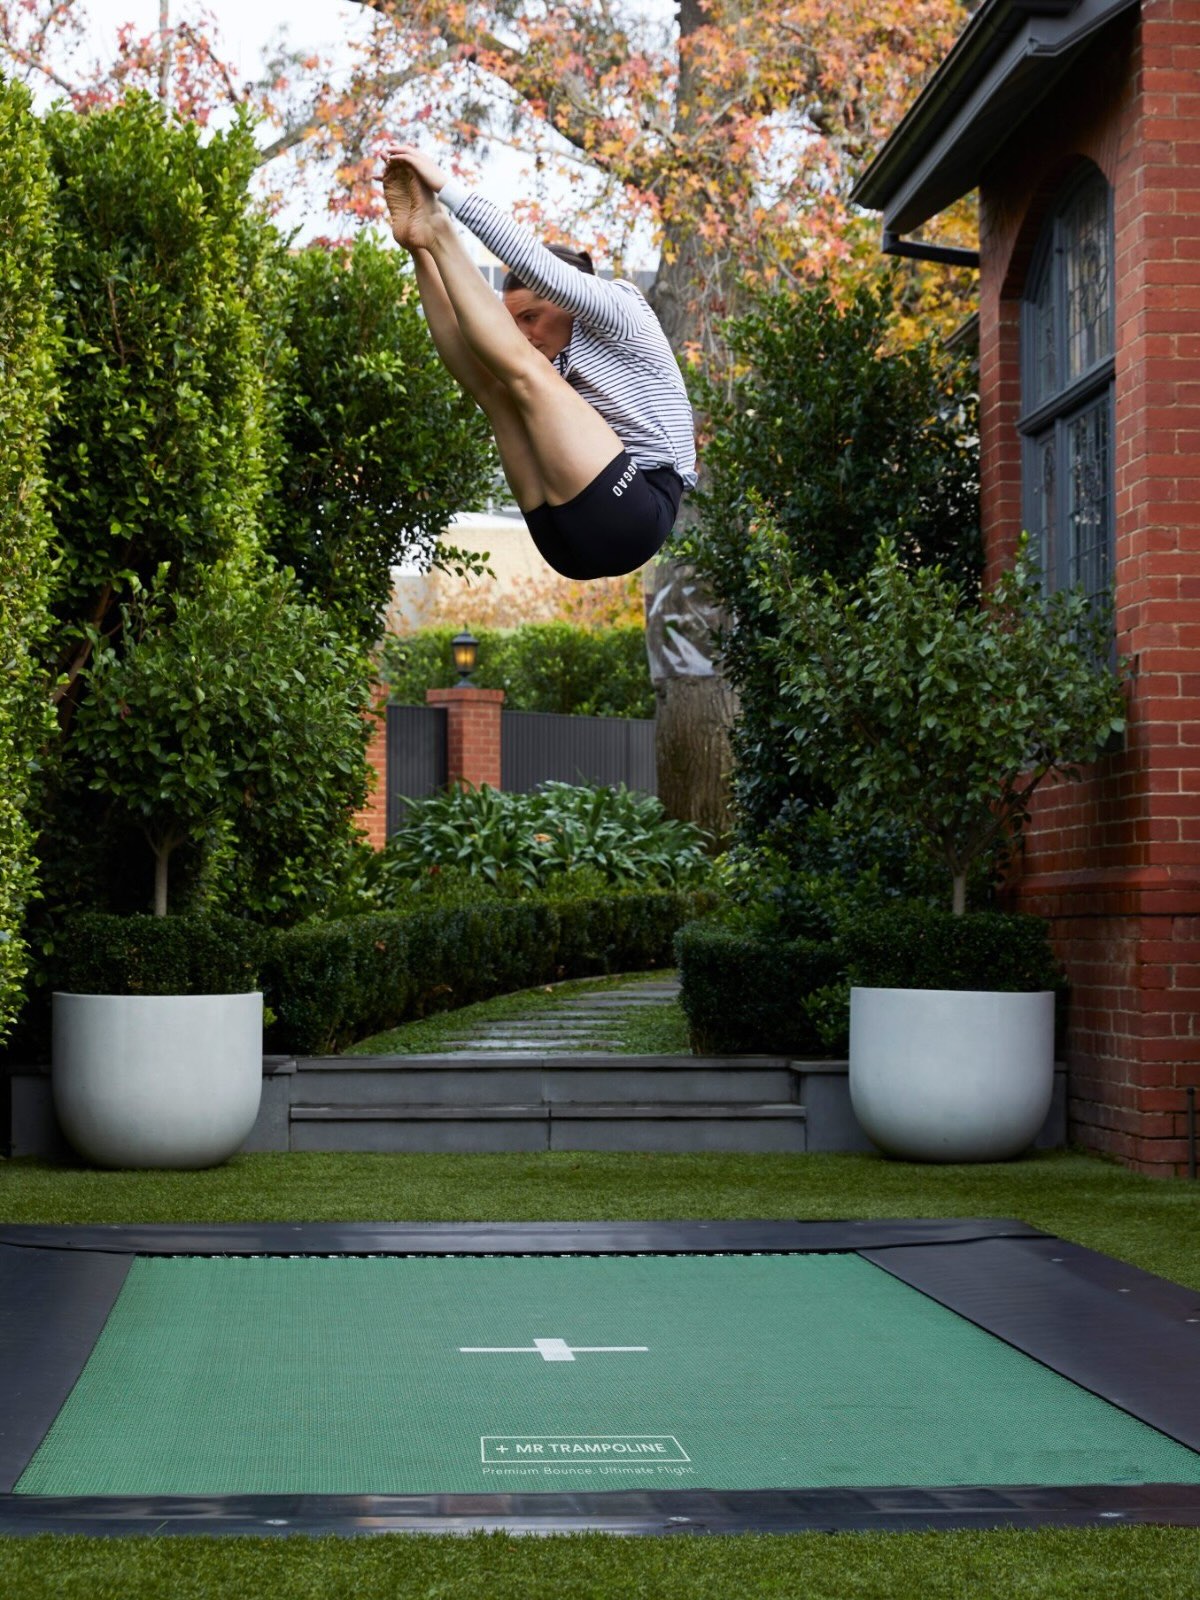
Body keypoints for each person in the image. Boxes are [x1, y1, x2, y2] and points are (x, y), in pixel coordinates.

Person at [378, 141, 697, 580]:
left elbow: (533, 262)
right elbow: (478, 365)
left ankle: (438, 230)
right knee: (496, 392)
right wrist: (421, 254)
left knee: (523, 373)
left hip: (638, 510)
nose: (523, 335)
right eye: (516, 322)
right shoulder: (553, 376)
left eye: (532, 317)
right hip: (565, 541)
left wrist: (447, 195)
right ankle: (425, 241)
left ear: (570, 300)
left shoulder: (618, 307)